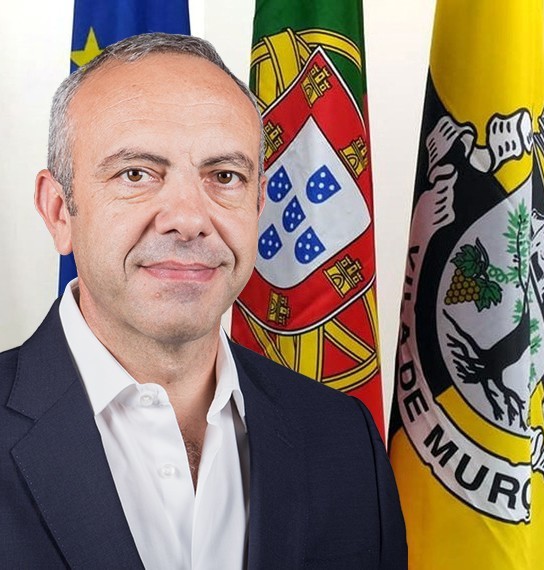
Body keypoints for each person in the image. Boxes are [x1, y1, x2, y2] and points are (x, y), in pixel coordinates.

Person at [0, 33, 406, 569]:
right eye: (136, 174)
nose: (189, 219)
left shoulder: (345, 442)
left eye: (225, 176)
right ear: (58, 211)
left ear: (258, 207)